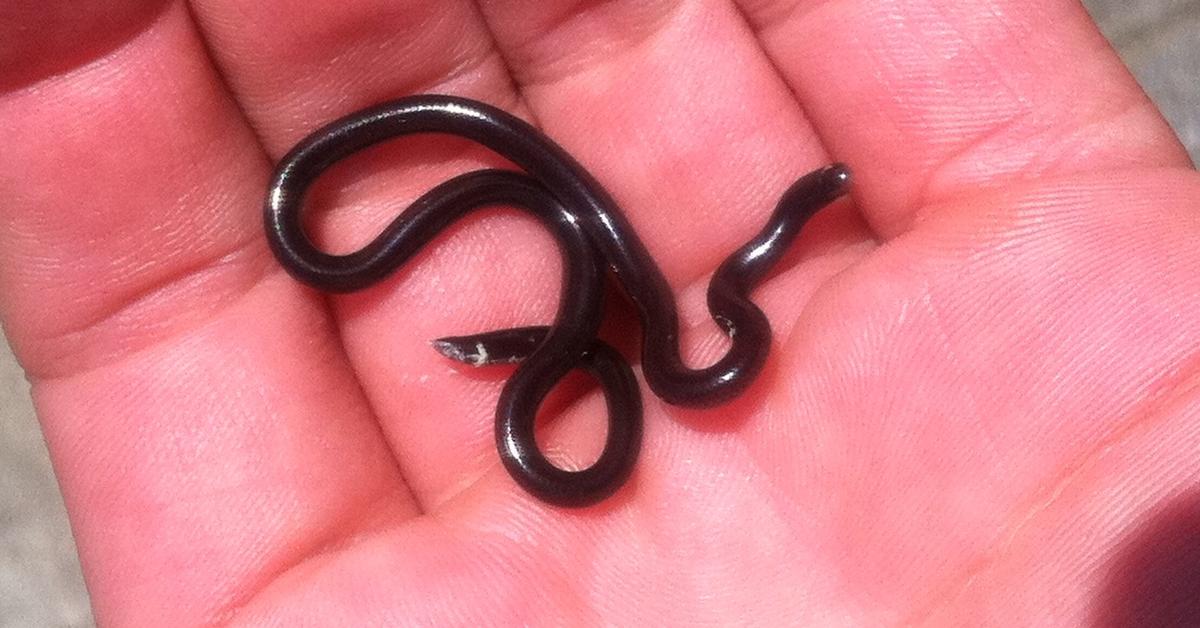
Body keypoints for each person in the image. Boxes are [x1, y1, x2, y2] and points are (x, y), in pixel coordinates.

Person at [2, 0, 1197, 625]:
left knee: (546, 208)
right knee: (522, 192)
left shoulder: (636, 347)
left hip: (592, 328)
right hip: (581, 318)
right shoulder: (620, 338)